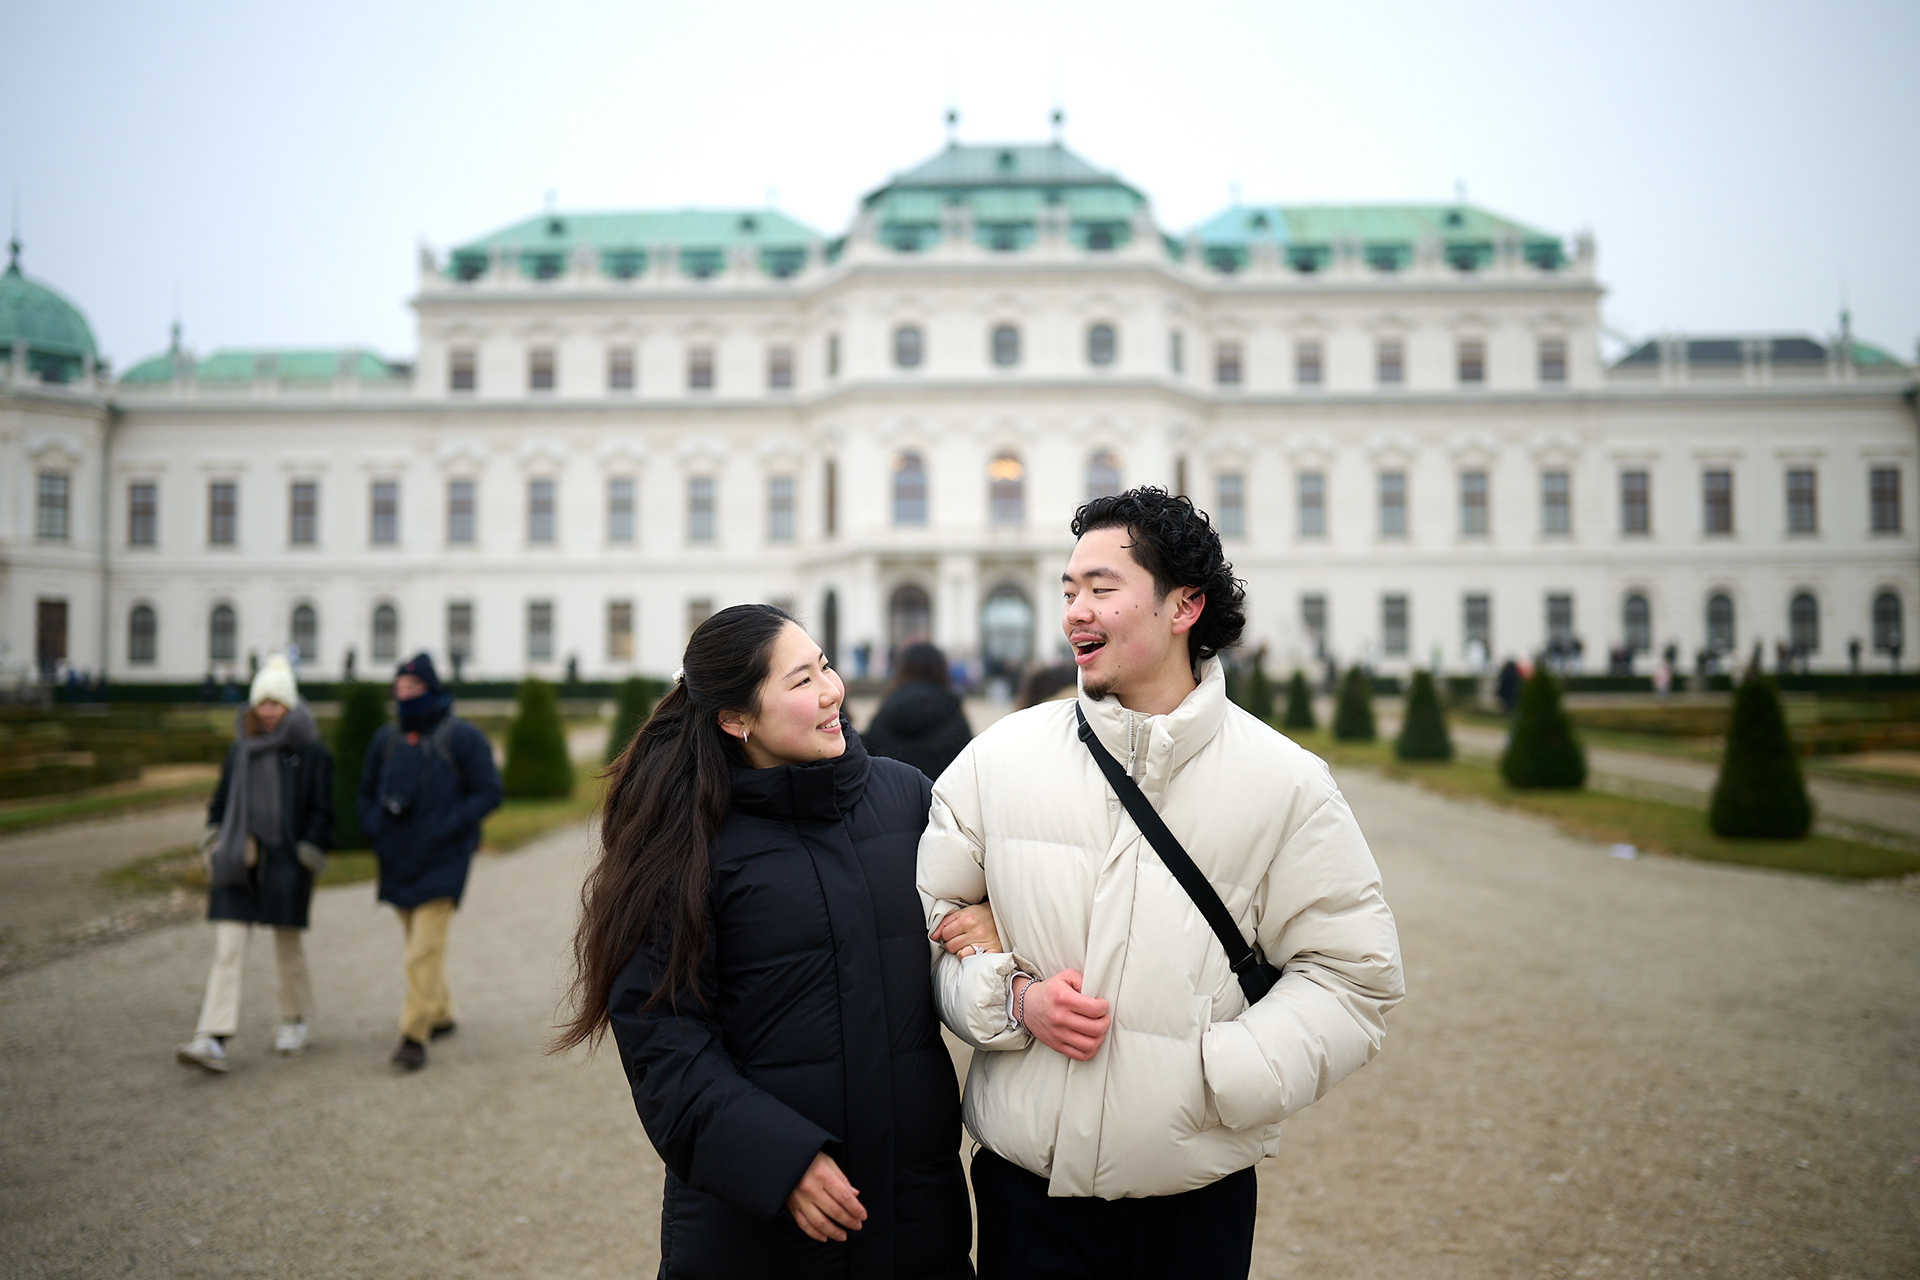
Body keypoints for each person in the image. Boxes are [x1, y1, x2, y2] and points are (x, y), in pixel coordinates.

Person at [918, 488, 1404, 1280]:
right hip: (1026, 1197)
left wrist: (1218, 1077)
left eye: (1103, 589)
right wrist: (1011, 1000)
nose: (1076, 610)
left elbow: (1356, 977)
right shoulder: (995, 762)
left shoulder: (1288, 783)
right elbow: (934, 943)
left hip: (1194, 1200)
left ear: (1184, 606)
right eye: (1069, 590)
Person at [554, 604, 995, 1280]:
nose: (831, 691)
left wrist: (994, 916)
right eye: (800, 682)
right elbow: (662, 1037)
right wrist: (776, 1160)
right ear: (735, 719)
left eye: (825, 665)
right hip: (760, 1227)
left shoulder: (906, 798)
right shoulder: (685, 843)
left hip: (917, 1214)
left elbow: (1005, 904)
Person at [176, 655, 334, 1074]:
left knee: (287, 947)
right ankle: (212, 1035)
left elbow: (322, 810)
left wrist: (308, 850)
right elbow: (221, 800)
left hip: (285, 859)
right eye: (261, 702)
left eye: (275, 703)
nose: (266, 711)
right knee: (227, 949)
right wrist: (213, 837)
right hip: (236, 859)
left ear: (290, 706)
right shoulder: (239, 750)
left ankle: (292, 1019)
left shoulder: (310, 752)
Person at [357, 652, 502, 1071]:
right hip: (396, 856)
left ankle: (413, 1036)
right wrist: (374, 827)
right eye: (399, 689)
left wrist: (447, 827)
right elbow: (365, 792)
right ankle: (439, 1013)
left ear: (431, 689)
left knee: (422, 950)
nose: (404, 696)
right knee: (417, 944)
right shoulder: (385, 739)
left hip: (443, 859)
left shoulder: (462, 738)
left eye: (413, 688)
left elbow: (489, 792)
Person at [861, 641, 974, 782]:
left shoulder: (886, 712)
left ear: (901, 669)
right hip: (940, 800)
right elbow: (967, 767)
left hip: (892, 799)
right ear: (941, 669)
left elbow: (871, 758)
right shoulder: (953, 715)